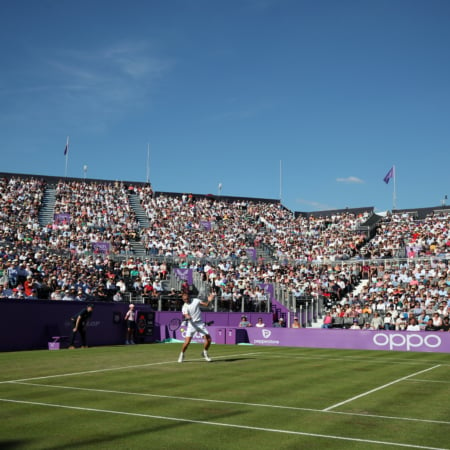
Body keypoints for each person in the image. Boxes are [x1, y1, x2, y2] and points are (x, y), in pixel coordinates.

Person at [178, 292, 215, 363]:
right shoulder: (184, 307)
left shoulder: (195, 300)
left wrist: (209, 300)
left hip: (200, 324)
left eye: (187, 299)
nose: (186, 300)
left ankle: (204, 353)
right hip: (191, 325)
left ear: (189, 297)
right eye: (184, 299)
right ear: (183, 300)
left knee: (209, 340)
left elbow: (206, 305)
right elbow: (186, 315)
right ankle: (182, 354)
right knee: (187, 342)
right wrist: (187, 317)